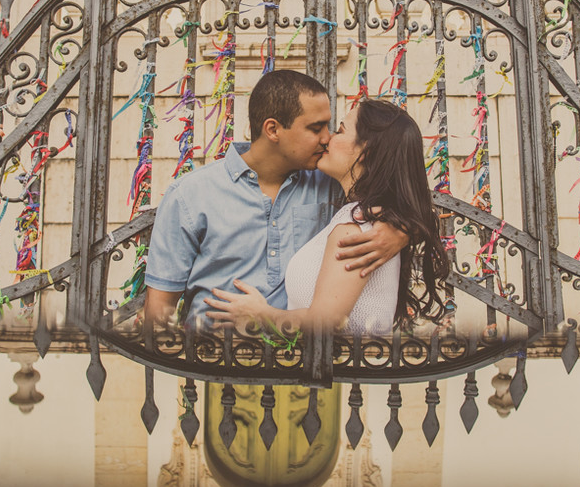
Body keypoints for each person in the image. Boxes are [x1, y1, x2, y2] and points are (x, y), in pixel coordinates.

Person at [143, 71, 410, 329]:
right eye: (316, 128)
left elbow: (405, 193)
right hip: (214, 361)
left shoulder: (331, 184)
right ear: (273, 129)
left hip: (304, 362)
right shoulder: (190, 194)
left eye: (330, 127)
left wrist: (401, 230)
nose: (327, 138)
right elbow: (160, 308)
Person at [204, 99, 449, 334]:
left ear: (365, 151)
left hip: (349, 372)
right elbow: (413, 200)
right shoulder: (364, 213)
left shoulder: (356, 227)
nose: (328, 138)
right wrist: (404, 228)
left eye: (340, 131)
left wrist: (261, 315)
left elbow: (325, 323)